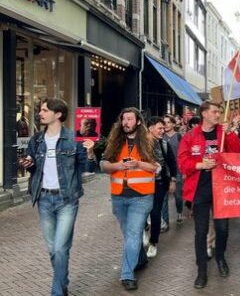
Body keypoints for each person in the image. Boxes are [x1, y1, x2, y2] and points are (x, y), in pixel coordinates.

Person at [21, 99, 96, 296]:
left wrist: (89, 152)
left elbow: (88, 168)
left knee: (61, 248)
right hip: (44, 199)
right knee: (53, 249)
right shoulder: (36, 139)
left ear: (58, 114)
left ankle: (57, 292)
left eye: (45, 110)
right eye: (40, 110)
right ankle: (62, 280)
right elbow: (32, 162)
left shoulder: (74, 139)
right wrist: (28, 162)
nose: (40, 113)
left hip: (67, 200)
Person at [178, 101, 240, 289]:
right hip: (200, 190)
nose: (218, 115)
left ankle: (220, 257)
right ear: (204, 114)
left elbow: (237, 152)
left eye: (219, 112)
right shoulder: (190, 136)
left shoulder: (223, 133)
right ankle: (201, 271)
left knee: (222, 229)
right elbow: (183, 162)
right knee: (200, 232)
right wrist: (200, 165)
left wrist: (230, 132)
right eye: (215, 112)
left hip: (221, 189)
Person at [100, 107, 158, 291]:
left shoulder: (149, 142)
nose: (126, 122)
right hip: (119, 197)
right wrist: (118, 165)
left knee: (133, 235)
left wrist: (139, 164)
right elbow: (103, 164)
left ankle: (127, 274)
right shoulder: (115, 141)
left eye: (130, 119)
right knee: (129, 235)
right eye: (124, 119)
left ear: (138, 122)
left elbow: (158, 167)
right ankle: (140, 258)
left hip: (141, 197)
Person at [145, 117, 178, 258]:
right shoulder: (140, 145)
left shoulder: (164, 144)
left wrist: (173, 181)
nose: (162, 131)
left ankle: (153, 242)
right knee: (142, 212)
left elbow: (172, 163)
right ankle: (145, 228)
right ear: (150, 128)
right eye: (159, 128)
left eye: (163, 128)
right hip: (142, 184)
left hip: (159, 184)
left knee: (155, 212)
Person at [161, 114, 184, 227]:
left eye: (168, 122)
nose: (166, 125)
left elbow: (183, 154)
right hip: (165, 171)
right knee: (164, 197)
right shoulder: (160, 136)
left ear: (174, 124)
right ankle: (165, 222)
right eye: (164, 122)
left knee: (178, 196)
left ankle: (179, 212)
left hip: (177, 170)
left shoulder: (179, 136)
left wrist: (183, 171)